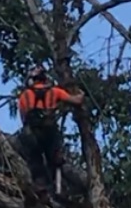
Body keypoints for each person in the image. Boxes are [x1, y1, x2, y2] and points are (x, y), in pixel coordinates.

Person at [15, 64, 84, 193]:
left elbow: (23, 118)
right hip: (50, 132)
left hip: (32, 133)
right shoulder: (55, 91)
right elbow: (77, 101)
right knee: (54, 161)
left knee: (35, 160)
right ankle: (56, 188)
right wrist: (80, 92)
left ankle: (40, 186)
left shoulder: (24, 96)